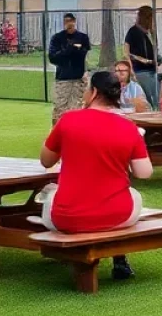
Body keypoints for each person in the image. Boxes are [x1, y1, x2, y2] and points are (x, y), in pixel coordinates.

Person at [39, 70, 154, 280]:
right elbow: (144, 172)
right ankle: (119, 257)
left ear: (92, 93)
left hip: (67, 217)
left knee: (50, 197)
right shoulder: (129, 127)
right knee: (134, 195)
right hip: (115, 214)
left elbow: (46, 160)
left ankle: (71, 254)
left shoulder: (68, 120)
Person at [48, 12, 91, 124]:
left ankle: (75, 133)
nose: (69, 24)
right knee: (60, 107)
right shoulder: (57, 38)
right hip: (63, 78)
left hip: (78, 78)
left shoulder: (82, 37)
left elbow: (84, 54)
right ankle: (57, 133)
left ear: (74, 22)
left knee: (77, 107)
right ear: (64, 23)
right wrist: (69, 49)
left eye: (71, 21)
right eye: (66, 22)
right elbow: (53, 58)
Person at [123, 5, 159, 108]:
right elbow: (126, 52)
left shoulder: (151, 32)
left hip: (153, 70)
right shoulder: (133, 32)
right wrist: (132, 68)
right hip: (141, 70)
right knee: (147, 98)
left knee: (155, 97)